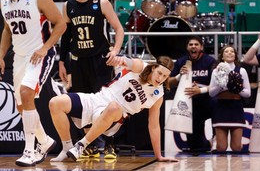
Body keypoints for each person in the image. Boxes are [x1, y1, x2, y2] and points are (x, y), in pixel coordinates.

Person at [48, 55, 179, 162]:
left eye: (165, 76)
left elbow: (154, 125)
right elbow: (130, 62)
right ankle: (66, 147)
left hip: (116, 116)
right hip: (97, 99)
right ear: (153, 68)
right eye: (159, 73)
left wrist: (159, 156)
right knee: (56, 103)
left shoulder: (158, 95)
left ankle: (81, 145)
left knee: (114, 106)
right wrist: (120, 60)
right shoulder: (141, 67)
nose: (160, 78)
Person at [56, 0, 125, 161]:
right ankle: (91, 146)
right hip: (78, 61)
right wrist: (61, 61)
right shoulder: (68, 5)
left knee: (106, 103)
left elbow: (119, 28)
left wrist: (115, 50)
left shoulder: (101, 2)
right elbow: (66, 35)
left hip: (100, 60)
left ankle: (109, 144)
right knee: (83, 104)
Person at [0, 0, 66, 166]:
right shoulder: (4, 2)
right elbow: (8, 29)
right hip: (20, 57)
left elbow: (61, 24)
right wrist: (0, 56)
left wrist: (45, 48)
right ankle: (44, 141)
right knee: (20, 106)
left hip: (40, 54)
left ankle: (29, 150)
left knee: (26, 93)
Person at [168, 36, 216, 152]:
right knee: (195, 145)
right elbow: (169, 82)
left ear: (201, 47)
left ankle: (215, 140)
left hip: (208, 99)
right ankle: (201, 146)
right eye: (191, 45)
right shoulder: (181, 62)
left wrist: (200, 89)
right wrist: (180, 76)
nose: (193, 46)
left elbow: (218, 85)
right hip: (190, 102)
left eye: (196, 44)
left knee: (218, 105)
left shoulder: (210, 61)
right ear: (187, 47)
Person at [209, 45, 251, 152]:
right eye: (226, 51)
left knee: (236, 147)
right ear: (222, 56)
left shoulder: (241, 71)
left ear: (235, 56)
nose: (229, 53)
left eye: (232, 51)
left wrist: (236, 88)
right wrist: (221, 85)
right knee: (221, 147)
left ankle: (237, 168)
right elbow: (211, 93)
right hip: (221, 108)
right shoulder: (216, 71)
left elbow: (248, 93)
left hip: (236, 108)